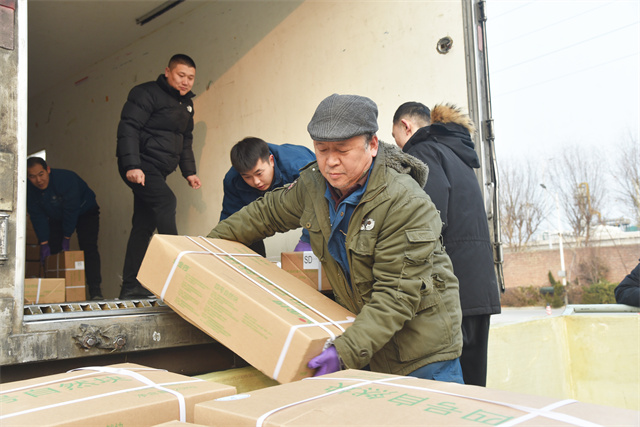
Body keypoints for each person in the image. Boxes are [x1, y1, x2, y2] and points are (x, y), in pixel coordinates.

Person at [208, 94, 463, 382]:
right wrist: (201, 249)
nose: (330, 162)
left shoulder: (403, 201)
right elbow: (265, 214)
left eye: (342, 150)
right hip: (366, 345)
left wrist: (343, 353)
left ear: (372, 145)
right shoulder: (315, 185)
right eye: (321, 149)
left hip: (420, 353)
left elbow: (395, 296)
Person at [391, 102, 501, 387]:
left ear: (406, 126)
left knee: (451, 391)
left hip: (453, 288)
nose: (399, 146)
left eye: (395, 137)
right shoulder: (455, 152)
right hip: (477, 286)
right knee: (473, 383)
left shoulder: (423, 151)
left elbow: (428, 219)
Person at [116, 54, 201, 299]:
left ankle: (130, 287)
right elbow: (129, 127)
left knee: (143, 226)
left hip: (158, 170)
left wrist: (189, 172)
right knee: (166, 201)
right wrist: (132, 165)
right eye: (181, 75)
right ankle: (176, 271)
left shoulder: (186, 104)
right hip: (140, 164)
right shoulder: (146, 93)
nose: (186, 81)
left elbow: (185, 139)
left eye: (191, 78)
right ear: (167, 72)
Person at [220, 137, 316, 256]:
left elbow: (320, 207)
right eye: (247, 177)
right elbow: (232, 221)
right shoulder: (233, 180)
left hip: (315, 201)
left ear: (271, 160)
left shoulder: (299, 167)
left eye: (259, 173)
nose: (256, 182)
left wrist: (307, 241)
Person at [26, 157, 103, 300]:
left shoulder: (66, 179)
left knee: (88, 247)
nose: (38, 180)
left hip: (85, 211)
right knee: (53, 249)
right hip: (57, 215)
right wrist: (44, 242)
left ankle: (95, 291)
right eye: (32, 176)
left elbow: (71, 210)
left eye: (41, 174)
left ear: (48, 170)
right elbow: (37, 217)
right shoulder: (29, 190)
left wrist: (66, 237)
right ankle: (56, 293)